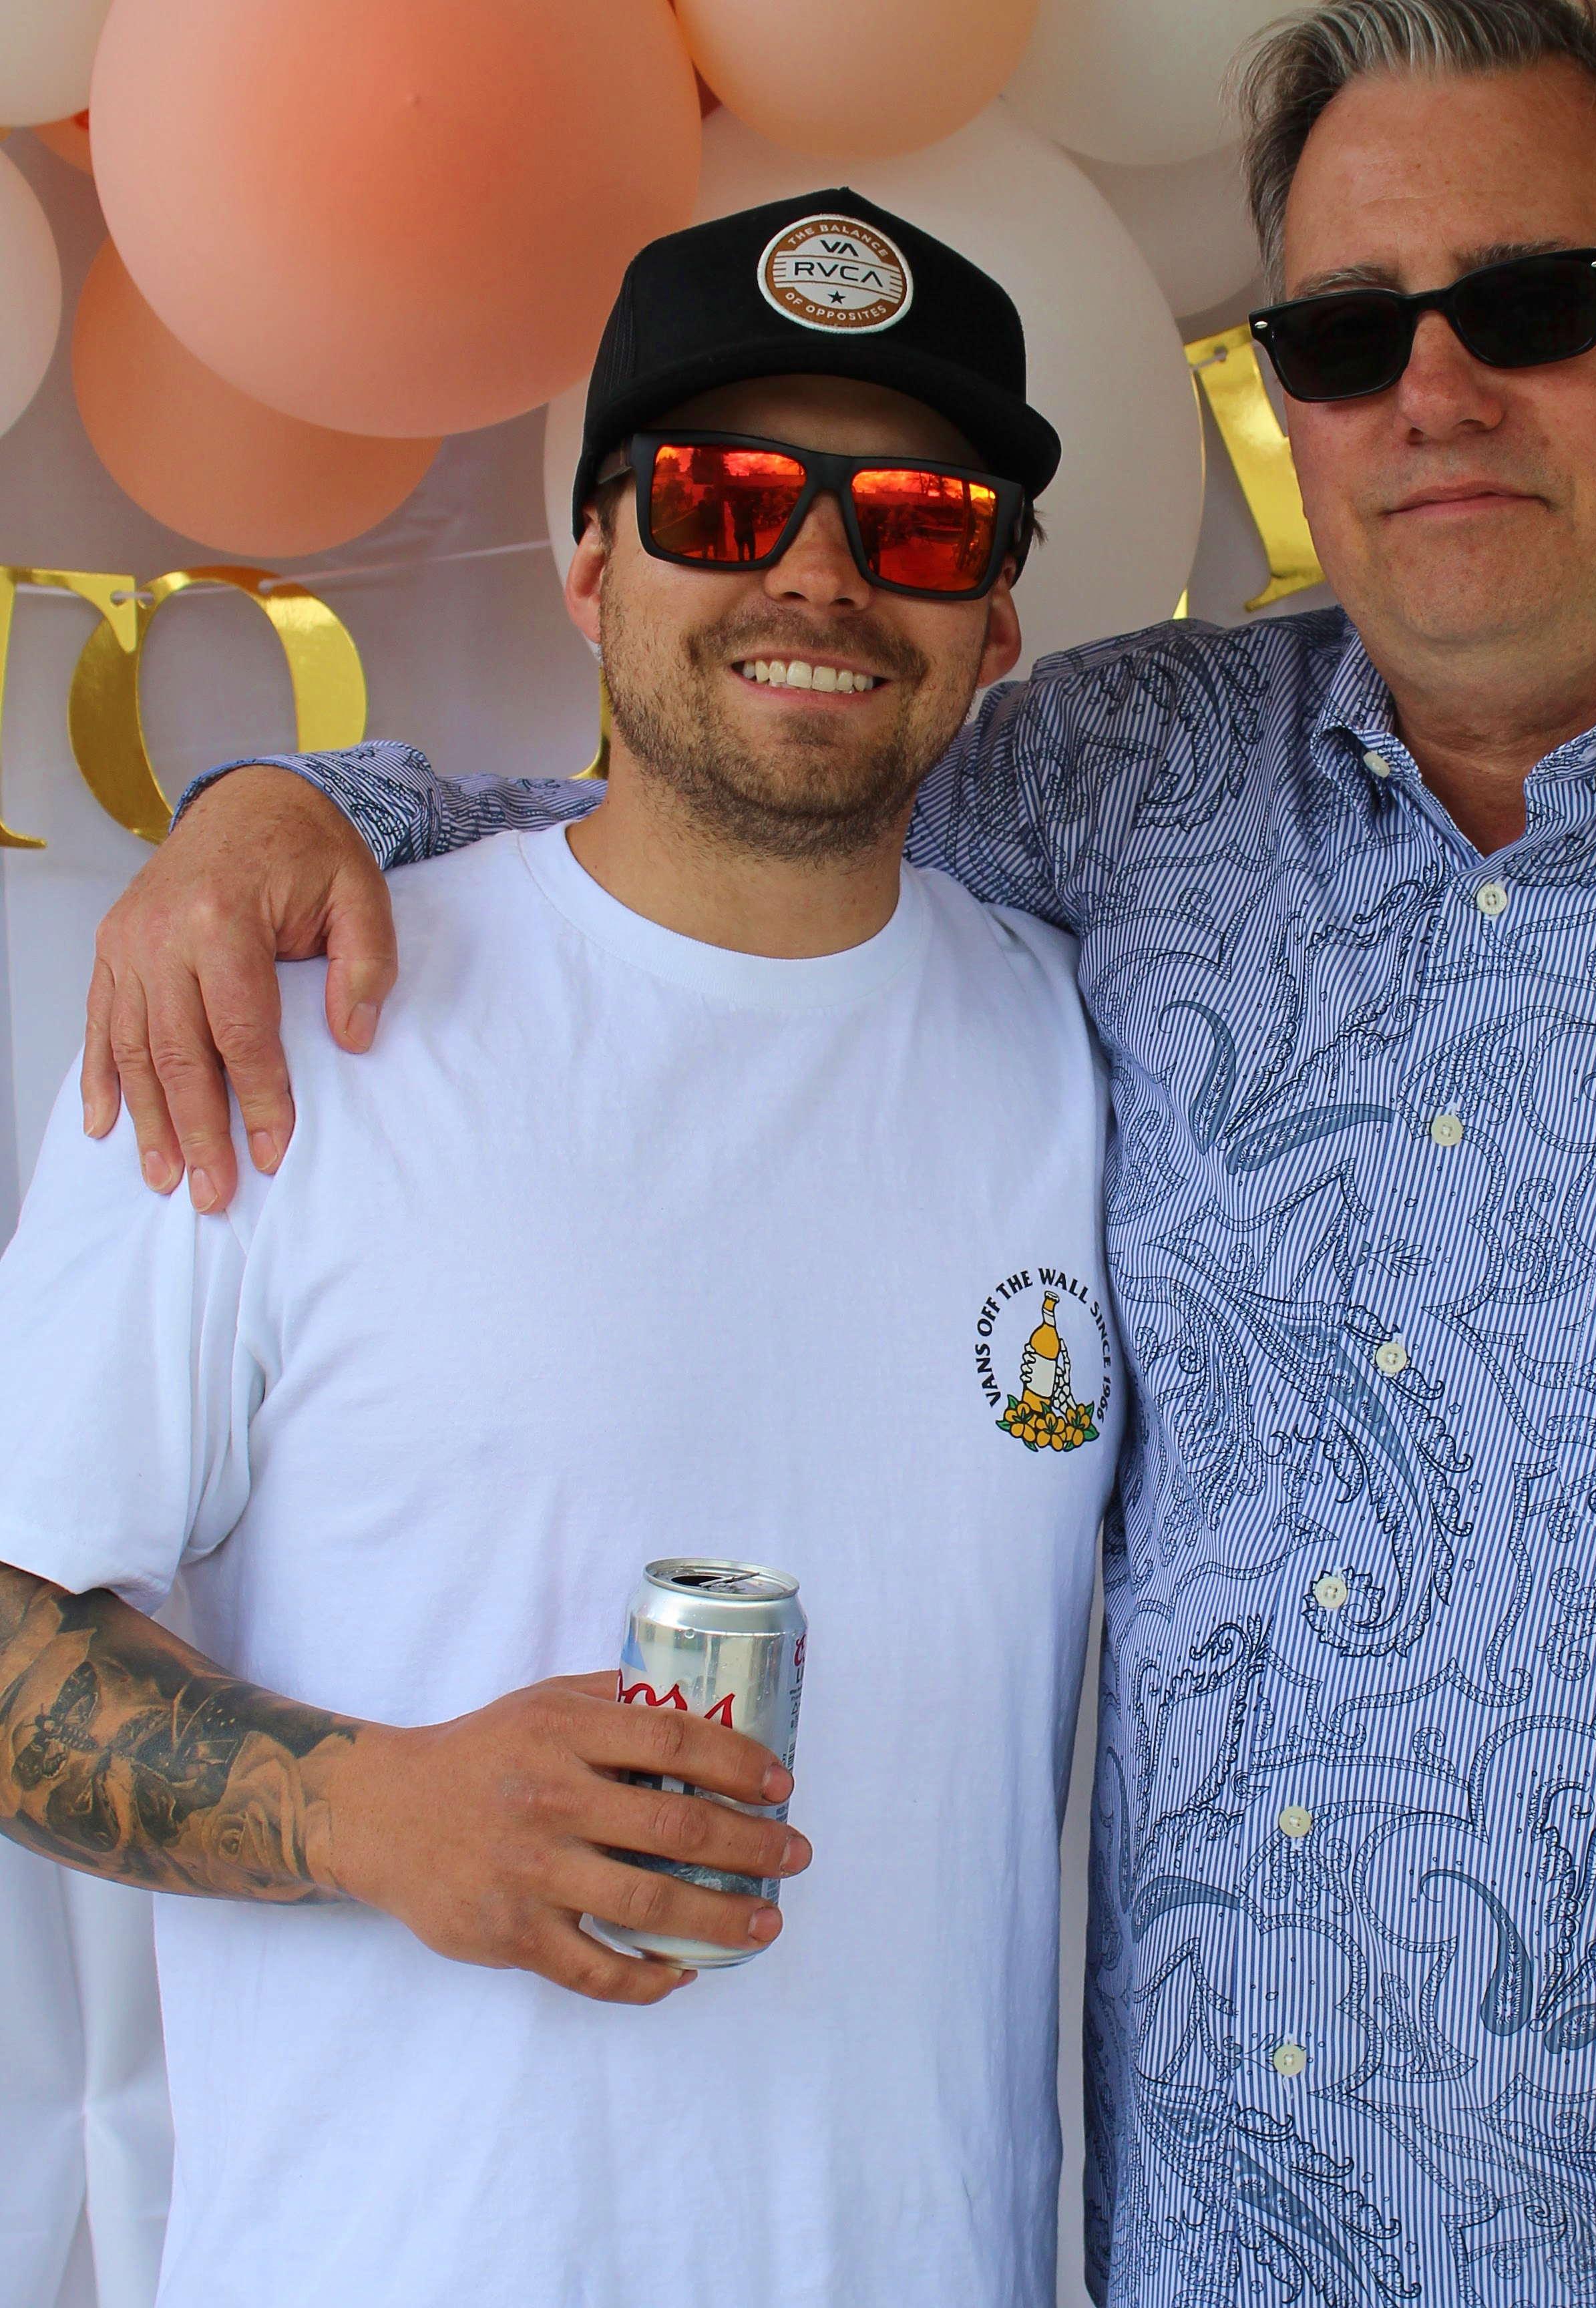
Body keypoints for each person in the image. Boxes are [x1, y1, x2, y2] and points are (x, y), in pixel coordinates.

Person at [69, 2, 1596, 2301]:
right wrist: (301, 806)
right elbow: (726, 790)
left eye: (1530, 306)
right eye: (1343, 335)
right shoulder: (1137, 782)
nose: (1432, 393)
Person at [0, 191, 1121, 2307]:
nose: (818, 573)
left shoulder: (1091, 1059)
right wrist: (365, 1810)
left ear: (997, 623)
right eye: (725, 499)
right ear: (594, 564)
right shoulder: (277, 1023)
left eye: (919, 522)